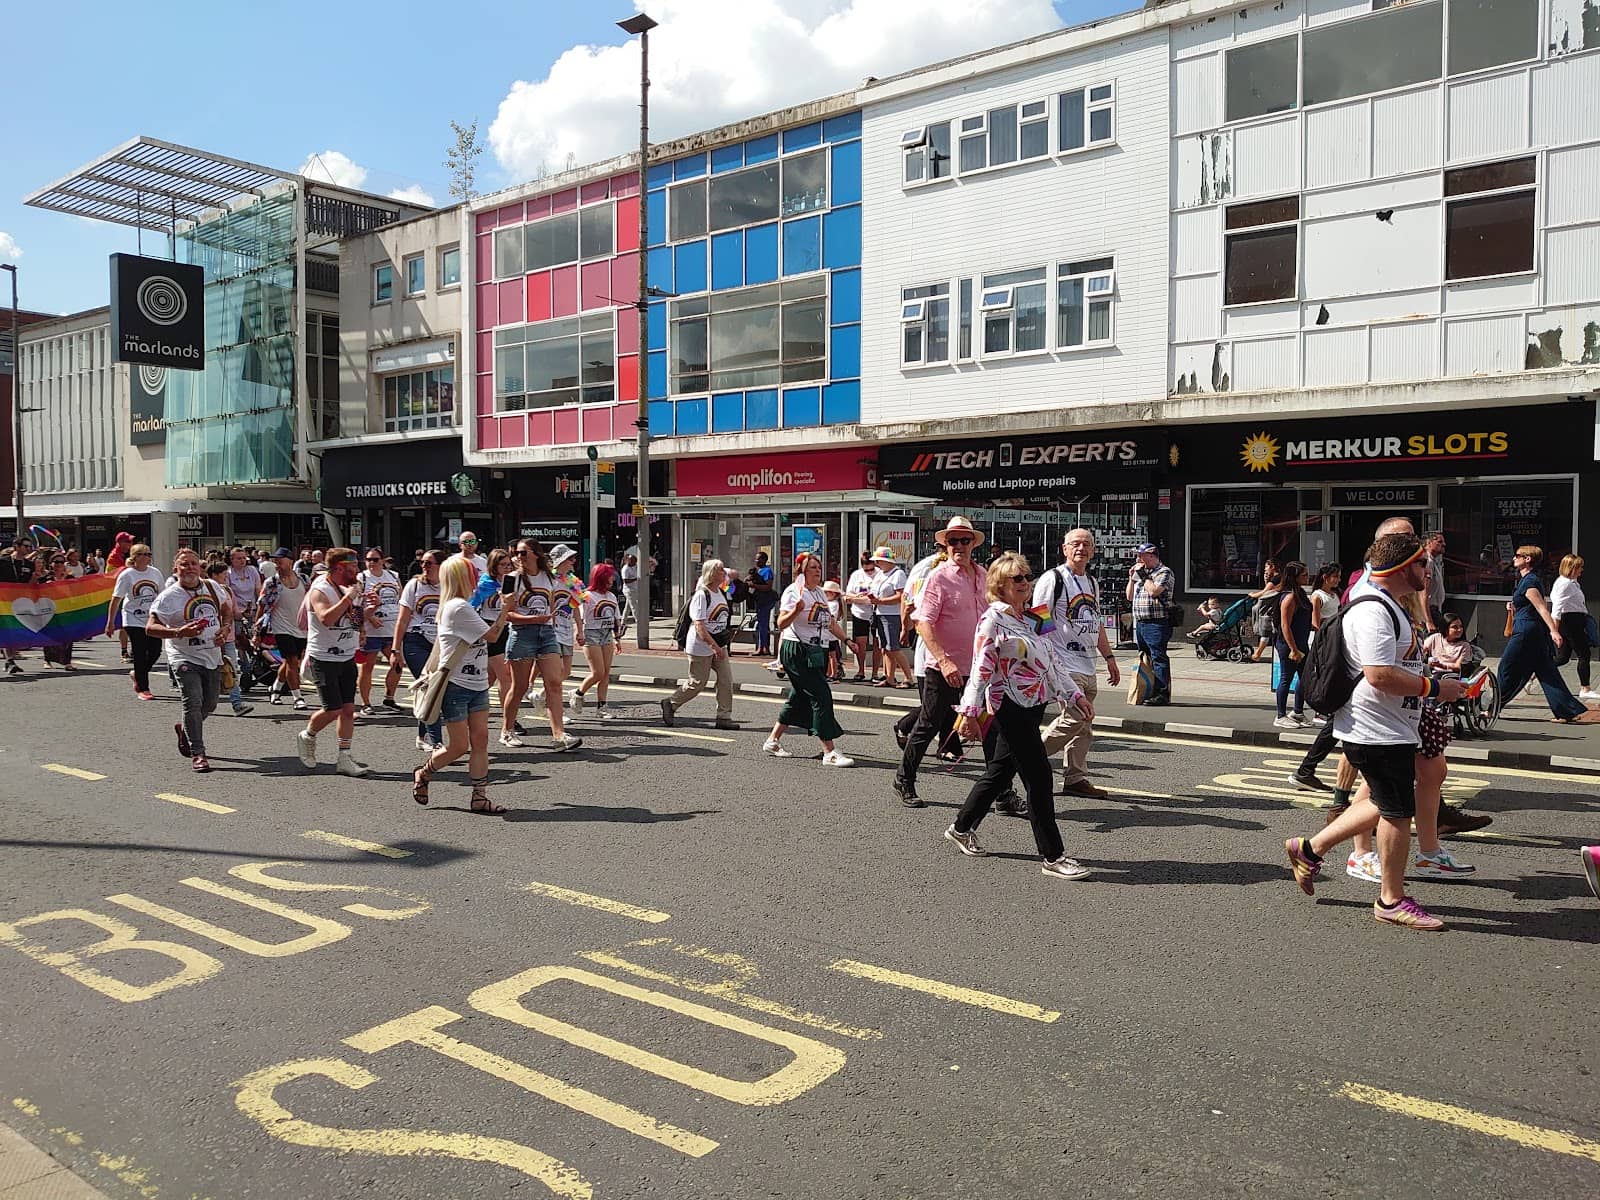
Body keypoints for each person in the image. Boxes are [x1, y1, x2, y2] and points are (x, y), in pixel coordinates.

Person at [1283, 532, 1465, 930]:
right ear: (1403, 568)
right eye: (1422, 564)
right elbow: (1379, 674)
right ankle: (1391, 900)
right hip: (1376, 729)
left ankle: (1310, 848)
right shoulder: (1374, 611)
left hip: (1390, 726)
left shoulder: (1391, 606)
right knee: (1399, 813)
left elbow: (1395, 665)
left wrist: (1430, 680)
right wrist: (1436, 687)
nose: (1427, 570)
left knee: (1386, 802)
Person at [945, 551, 1095, 879]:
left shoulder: (1038, 615)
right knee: (1039, 778)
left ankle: (960, 827)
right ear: (999, 584)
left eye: (1027, 576)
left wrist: (1074, 694)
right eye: (1018, 578)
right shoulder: (992, 620)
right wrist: (969, 712)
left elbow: (1054, 660)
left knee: (999, 772)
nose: (1026, 583)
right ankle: (1053, 857)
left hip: (1034, 704)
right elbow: (980, 670)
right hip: (1007, 705)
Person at [894, 517, 987, 808]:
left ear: (973, 543)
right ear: (945, 545)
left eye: (964, 540)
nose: (959, 546)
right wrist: (944, 661)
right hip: (944, 666)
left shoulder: (983, 574)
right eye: (953, 541)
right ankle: (904, 778)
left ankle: (1004, 792)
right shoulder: (939, 576)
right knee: (929, 723)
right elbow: (923, 622)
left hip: (979, 667)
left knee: (990, 728)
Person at [412, 556, 510, 813]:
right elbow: (492, 635)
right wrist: (505, 610)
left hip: (477, 683)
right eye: (472, 572)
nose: (478, 576)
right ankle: (424, 772)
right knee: (458, 746)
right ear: (461, 577)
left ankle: (479, 796)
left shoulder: (464, 605)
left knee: (481, 740)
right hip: (456, 685)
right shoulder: (457, 607)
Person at [1037, 529, 1122, 798]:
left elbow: (1095, 624)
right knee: (1076, 717)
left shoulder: (1092, 583)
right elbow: (1038, 618)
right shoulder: (1054, 579)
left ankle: (1075, 778)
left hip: (1088, 663)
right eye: (1075, 544)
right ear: (1064, 549)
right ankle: (1026, 756)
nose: (1081, 548)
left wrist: (1109, 658)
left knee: (1084, 726)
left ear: (1093, 551)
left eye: (1086, 544)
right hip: (1064, 665)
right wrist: (1047, 658)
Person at [764, 552, 853, 765]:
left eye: (819, 567)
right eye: (812, 567)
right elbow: (781, 624)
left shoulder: (820, 593)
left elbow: (830, 623)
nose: (817, 571)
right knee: (821, 695)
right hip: (797, 649)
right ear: (802, 571)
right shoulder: (794, 592)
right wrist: (796, 610)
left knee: (800, 696)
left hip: (816, 651)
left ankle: (773, 740)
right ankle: (829, 751)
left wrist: (847, 640)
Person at [145, 548, 228, 772]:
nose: (190, 568)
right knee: (192, 701)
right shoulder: (168, 597)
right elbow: (150, 628)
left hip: (211, 654)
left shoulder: (213, 587)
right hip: (183, 656)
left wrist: (226, 628)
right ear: (176, 569)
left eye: (193, 563)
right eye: (184, 564)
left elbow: (227, 609)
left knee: (210, 704)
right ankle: (198, 754)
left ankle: (186, 729)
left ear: (200, 567)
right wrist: (179, 632)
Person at [1499, 545, 1600, 724]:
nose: (1514, 558)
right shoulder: (1527, 580)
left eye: (1518, 556)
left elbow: (1542, 608)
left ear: (1527, 559)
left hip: (1526, 632)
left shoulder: (1529, 581)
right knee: (1547, 672)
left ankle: (1490, 705)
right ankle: (1566, 711)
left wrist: (1554, 630)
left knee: (1507, 667)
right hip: (1533, 631)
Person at [501, 539, 583, 752]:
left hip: (546, 634)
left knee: (555, 683)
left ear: (536, 554)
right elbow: (506, 613)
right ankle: (507, 731)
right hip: (522, 634)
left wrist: (552, 622)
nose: (519, 557)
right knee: (519, 687)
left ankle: (559, 735)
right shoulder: (512, 578)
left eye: (523, 553)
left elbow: (553, 603)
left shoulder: (549, 577)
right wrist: (533, 620)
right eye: (517, 553)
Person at [296, 547, 368, 776]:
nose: (358, 570)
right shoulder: (320, 590)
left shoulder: (351, 587)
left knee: (348, 710)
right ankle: (307, 734)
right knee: (333, 709)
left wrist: (369, 609)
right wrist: (349, 598)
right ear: (339, 568)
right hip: (323, 658)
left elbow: (354, 620)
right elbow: (326, 618)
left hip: (346, 655)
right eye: (353, 566)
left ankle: (344, 758)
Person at [662, 559, 740, 730]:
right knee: (697, 683)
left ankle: (724, 717)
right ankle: (671, 703)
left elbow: (735, 574)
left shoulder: (721, 591)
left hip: (719, 644)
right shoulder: (701, 595)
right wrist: (714, 647)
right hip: (701, 646)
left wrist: (720, 645)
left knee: (726, 680)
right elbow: (699, 627)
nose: (724, 574)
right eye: (720, 571)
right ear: (712, 574)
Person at [395, 551, 445, 751]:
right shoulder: (414, 585)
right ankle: (437, 742)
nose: (425, 566)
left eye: (429, 563)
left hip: (441, 643)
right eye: (422, 563)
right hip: (416, 640)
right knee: (431, 686)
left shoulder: (449, 585)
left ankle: (422, 736)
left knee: (430, 690)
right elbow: (403, 619)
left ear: (442, 565)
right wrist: (395, 649)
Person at [107, 544, 164, 699]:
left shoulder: (155, 573)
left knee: (155, 651)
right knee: (139, 652)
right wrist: (110, 622)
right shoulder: (127, 575)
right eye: (143, 554)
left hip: (151, 618)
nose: (147, 557)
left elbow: (162, 596)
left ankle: (137, 674)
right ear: (135, 557)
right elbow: (116, 599)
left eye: (149, 554)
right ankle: (143, 689)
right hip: (132, 618)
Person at [355, 547, 403, 716]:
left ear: (382, 560)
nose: (371, 563)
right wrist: (368, 619)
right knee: (368, 667)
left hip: (392, 628)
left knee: (397, 664)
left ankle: (389, 698)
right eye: (368, 560)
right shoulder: (361, 578)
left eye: (375, 559)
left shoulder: (393, 576)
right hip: (371, 630)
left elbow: (401, 599)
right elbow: (356, 604)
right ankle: (366, 703)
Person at [1125, 542, 1175, 705]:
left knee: (1158, 657)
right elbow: (1129, 597)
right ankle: (1147, 688)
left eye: (1141, 555)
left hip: (1157, 622)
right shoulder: (1141, 573)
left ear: (1151, 555)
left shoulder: (1164, 572)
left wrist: (1143, 576)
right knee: (1145, 657)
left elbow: (1154, 592)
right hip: (1141, 622)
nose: (1138, 559)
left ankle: (1161, 694)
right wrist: (1132, 579)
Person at [572, 562, 623, 718]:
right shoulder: (586, 596)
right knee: (598, 672)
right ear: (601, 578)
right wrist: (579, 632)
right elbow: (579, 617)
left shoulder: (611, 596)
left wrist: (617, 638)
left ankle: (602, 707)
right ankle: (578, 693)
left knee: (606, 673)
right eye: (609, 577)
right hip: (591, 633)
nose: (612, 580)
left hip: (607, 634)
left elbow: (616, 619)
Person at [261, 548, 310, 711]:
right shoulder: (271, 582)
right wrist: (257, 630)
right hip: (280, 627)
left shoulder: (304, 579)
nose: (277, 563)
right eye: (275, 560)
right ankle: (298, 697)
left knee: (292, 661)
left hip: (301, 627)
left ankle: (275, 688)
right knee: (292, 661)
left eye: (280, 560)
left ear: (290, 561)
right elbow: (262, 605)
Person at [205, 560, 254, 716]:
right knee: (209, 671)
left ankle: (237, 704)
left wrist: (244, 613)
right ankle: (203, 703)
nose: (226, 577)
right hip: (210, 638)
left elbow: (234, 612)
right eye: (223, 574)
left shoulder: (227, 590)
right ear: (213, 575)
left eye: (226, 574)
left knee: (231, 670)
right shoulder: (204, 590)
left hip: (229, 637)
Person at [1273, 561, 1315, 729]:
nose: (1308, 577)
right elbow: (1285, 625)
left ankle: (1297, 712)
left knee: (1305, 678)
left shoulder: (1300, 594)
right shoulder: (1289, 597)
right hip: (1289, 645)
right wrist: (1293, 649)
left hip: (1302, 643)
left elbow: (1304, 620)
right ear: (1295, 577)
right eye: (1304, 574)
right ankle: (1280, 715)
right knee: (1286, 678)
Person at [1551, 554, 1598, 701]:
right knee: (1584, 654)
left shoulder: (1570, 582)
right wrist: (1554, 629)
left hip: (1573, 620)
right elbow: (1557, 606)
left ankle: (1535, 672)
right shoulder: (1566, 584)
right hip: (1571, 622)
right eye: (1579, 567)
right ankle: (1585, 688)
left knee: (1563, 657)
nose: (1582, 570)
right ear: (1571, 568)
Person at [480, 548, 516, 727]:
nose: (507, 568)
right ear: (494, 566)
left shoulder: (513, 582)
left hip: (508, 628)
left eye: (509, 564)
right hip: (490, 628)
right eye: (503, 565)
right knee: (506, 677)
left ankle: (467, 705)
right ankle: (509, 720)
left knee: (490, 677)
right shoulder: (485, 584)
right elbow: (472, 604)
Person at [869, 548, 912, 688]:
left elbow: (900, 596)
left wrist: (880, 601)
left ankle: (908, 678)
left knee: (893, 647)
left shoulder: (898, 574)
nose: (876, 563)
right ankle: (890, 677)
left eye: (879, 561)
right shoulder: (880, 574)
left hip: (892, 614)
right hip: (879, 613)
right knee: (885, 648)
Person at [548, 544, 583, 710]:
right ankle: (555, 709)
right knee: (556, 672)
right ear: (561, 560)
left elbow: (575, 606)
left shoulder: (573, 581)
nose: (574, 561)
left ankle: (539, 695)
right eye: (571, 558)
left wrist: (580, 629)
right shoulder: (549, 580)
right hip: (551, 631)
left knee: (566, 672)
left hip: (566, 630)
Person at [842, 552, 878, 681]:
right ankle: (861, 670)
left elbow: (877, 597)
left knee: (877, 643)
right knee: (860, 643)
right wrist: (860, 598)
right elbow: (848, 597)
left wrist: (859, 598)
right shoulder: (856, 575)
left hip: (875, 613)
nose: (869, 572)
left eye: (871, 569)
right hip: (859, 613)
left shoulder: (879, 574)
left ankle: (875, 673)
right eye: (866, 569)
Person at [39, 552, 78, 669]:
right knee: (49, 634)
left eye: (61, 562)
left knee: (67, 635)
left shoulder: (70, 578)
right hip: (49, 610)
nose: (59, 564)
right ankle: (47, 660)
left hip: (66, 609)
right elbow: (37, 593)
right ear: (51, 564)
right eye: (56, 562)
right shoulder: (45, 578)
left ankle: (67, 661)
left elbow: (76, 593)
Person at [1247, 559, 1282, 662]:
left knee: (1266, 632)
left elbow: (1264, 593)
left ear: (1272, 567)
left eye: (1266, 567)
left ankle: (1257, 654)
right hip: (1274, 607)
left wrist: (1252, 595)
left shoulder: (1276, 579)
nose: (1265, 570)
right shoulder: (1280, 578)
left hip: (1269, 609)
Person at [749, 551, 778, 657]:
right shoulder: (757, 571)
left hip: (766, 601)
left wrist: (754, 585)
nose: (756, 561)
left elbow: (768, 587)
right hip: (759, 601)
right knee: (761, 624)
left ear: (764, 560)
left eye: (759, 559)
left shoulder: (767, 571)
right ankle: (762, 647)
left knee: (763, 624)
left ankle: (763, 648)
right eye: (756, 559)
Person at [1423, 531, 1447, 632]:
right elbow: (1423, 593)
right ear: (1428, 542)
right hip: (1429, 612)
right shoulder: (1427, 562)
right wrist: (1428, 620)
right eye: (1439, 542)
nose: (1444, 544)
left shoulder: (1434, 562)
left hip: (1435, 611)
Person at [1310, 563, 1342, 633]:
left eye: (1339, 577)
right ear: (1325, 577)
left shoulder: (1335, 594)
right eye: (1336, 576)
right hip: (1325, 637)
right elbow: (1315, 624)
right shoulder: (1317, 597)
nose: (1339, 580)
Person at [619, 552, 639, 635]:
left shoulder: (635, 566)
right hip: (628, 589)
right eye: (633, 561)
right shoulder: (625, 569)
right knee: (634, 606)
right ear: (628, 561)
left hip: (635, 588)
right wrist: (636, 579)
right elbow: (625, 581)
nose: (634, 563)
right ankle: (638, 621)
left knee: (628, 607)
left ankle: (623, 621)